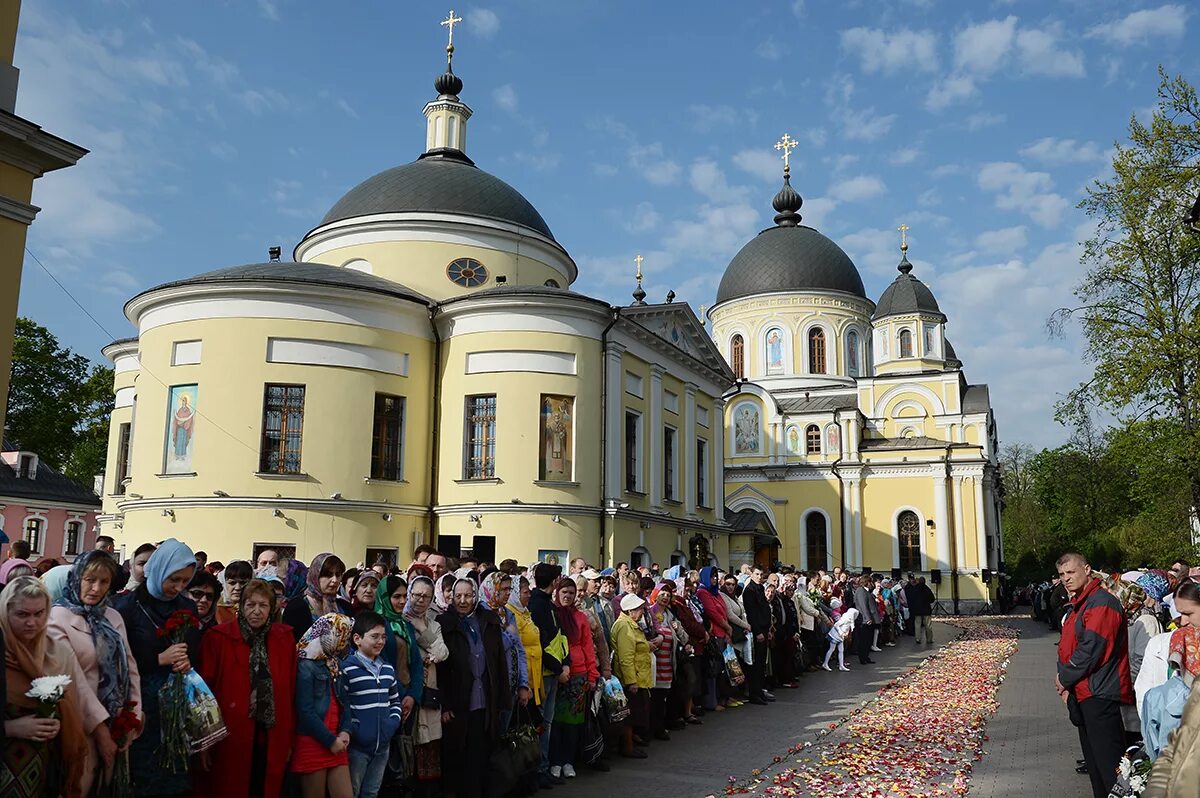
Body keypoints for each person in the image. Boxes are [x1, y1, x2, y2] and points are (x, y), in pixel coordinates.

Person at [48, 550, 141, 795]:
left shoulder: (112, 616)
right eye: (90, 580)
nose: (97, 588)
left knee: (108, 787)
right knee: (79, 785)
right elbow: (72, 678)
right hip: (79, 723)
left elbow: (130, 669)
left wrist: (132, 717)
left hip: (117, 723)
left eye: (104, 582)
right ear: (77, 578)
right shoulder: (57, 617)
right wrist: (100, 729)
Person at [114, 537, 201, 797]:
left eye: (185, 581)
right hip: (141, 701)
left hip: (176, 703)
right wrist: (158, 659)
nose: (178, 587)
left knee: (173, 772)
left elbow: (194, 646)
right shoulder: (127, 605)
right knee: (143, 771)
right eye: (173, 579)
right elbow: (117, 659)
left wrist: (187, 660)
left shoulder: (187, 606)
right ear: (160, 568)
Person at [195, 578, 297, 797]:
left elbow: (290, 691)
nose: (257, 611)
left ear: (272, 608)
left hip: (271, 733)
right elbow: (204, 694)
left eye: (263, 605)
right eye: (251, 605)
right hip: (230, 736)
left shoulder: (284, 639)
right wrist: (204, 740)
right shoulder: (218, 638)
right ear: (240, 607)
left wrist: (288, 739)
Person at [0, 576, 92, 798]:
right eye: (22, 614)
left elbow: (73, 711)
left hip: (45, 771)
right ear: (4, 612)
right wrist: (10, 728)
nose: (32, 622)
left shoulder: (57, 653)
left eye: (39, 614)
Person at [1054, 553, 1133, 798]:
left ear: (1087, 569)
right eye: (1062, 575)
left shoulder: (1101, 603)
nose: (1066, 579)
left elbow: (1092, 649)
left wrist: (1064, 677)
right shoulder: (1082, 602)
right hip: (1085, 691)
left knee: (1111, 768)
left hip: (1099, 691)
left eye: (1071, 572)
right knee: (1097, 767)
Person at [436, 578, 511, 798]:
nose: (462, 600)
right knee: (457, 753)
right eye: (457, 596)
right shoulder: (445, 623)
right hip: (458, 699)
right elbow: (441, 670)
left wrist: (502, 699)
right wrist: (444, 704)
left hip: (484, 699)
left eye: (467, 595)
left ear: (475, 596)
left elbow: (499, 663)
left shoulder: (488, 621)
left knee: (480, 753)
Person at [341, 611, 406, 798]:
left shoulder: (387, 669)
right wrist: (354, 729)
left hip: (382, 746)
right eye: (374, 636)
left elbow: (394, 700)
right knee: (352, 791)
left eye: (383, 637)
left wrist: (392, 723)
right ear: (357, 639)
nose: (380, 642)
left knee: (371, 792)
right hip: (357, 747)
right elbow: (344, 704)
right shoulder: (348, 668)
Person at [293, 613, 355, 798]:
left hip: (337, 739)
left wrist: (345, 731)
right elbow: (305, 711)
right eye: (342, 634)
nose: (345, 641)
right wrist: (330, 740)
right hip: (314, 741)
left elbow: (345, 701)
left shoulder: (335, 662)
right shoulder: (305, 666)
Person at [549, 577, 598, 779]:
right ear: (557, 593)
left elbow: (588, 646)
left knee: (573, 722)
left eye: (571, 593)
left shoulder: (581, 618)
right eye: (564, 592)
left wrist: (592, 674)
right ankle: (555, 761)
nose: (568, 596)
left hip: (579, 674)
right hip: (557, 673)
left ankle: (569, 761)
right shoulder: (552, 614)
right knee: (555, 721)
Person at [404, 576, 447, 796]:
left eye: (426, 596)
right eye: (416, 594)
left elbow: (442, 653)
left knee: (428, 744)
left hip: (429, 693)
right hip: (408, 692)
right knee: (407, 746)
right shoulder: (400, 620)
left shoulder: (434, 623)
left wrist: (421, 628)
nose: (420, 600)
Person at [528, 562, 568, 786]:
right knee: (541, 722)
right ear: (554, 582)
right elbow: (541, 643)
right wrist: (558, 667)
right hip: (544, 672)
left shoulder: (548, 605)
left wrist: (566, 663)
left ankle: (543, 766)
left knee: (548, 722)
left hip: (555, 670)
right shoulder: (538, 605)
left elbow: (559, 637)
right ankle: (538, 768)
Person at [374, 576, 425, 713]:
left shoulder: (405, 625)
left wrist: (412, 695)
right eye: (396, 597)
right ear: (384, 597)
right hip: (386, 698)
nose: (402, 601)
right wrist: (401, 695)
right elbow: (381, 663)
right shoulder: (375, 626)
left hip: (408, 697)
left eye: (404, 596)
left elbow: (416, 663)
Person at [611, 593, 652, 759]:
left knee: (634, 713)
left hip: (639, 674)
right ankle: (627, 747)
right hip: (631, 678)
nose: (642, 612)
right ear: (631, 611)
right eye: (639, 609)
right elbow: (625, 657)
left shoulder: (631, 624)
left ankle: (629, 743)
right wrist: (631, 681)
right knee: (629, 714)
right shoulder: (624, 626)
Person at [284, 553, 350, 642]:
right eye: (328, 575)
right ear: (315, 576)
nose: (334, 580)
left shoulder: (345, 606)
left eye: (338, 575)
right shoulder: (297, 606)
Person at [741, 566, 772, 704]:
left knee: (761, 663)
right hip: (757, 630)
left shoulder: (760, 588)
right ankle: (754, 694)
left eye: (761, 574)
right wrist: (758, 631)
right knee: (756, 664)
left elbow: (765, 608)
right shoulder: (749, 590)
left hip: (765, 628)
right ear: (751, 574)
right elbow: (752, 613)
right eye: (757, 574)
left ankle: (760, 691)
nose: (759, 577)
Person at [215, 560, 253, 625]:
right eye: (232, 583)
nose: (237, 588)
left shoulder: (257, 609)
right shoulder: (215, 610)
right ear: (224, 584)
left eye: (243, 583)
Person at [853, 575, 881, 664]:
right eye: (870, 582)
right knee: (864, 640)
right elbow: (863, 606)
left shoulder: (865, 591)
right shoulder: (861, 591)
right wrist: (868, 618)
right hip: (864, 620)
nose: (871, 584)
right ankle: (863, 658)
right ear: (867, 582)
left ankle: (866, 656)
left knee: (868, 639)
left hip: (868, 619)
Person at [822, 606, 858, 672]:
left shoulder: (848, 619)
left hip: (840, 636)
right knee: (832, 649)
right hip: (836, 635)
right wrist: (841, 633)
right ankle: (825, 663)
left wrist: (846, 633)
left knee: (841, 650)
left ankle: (841, 665)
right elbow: (836, 625)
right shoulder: (845, 619)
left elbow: (847, 628)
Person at [905, 576, 935, 645]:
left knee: (917, 624)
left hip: (917, 610)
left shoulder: (914, 589)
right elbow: (932, 599)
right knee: (928, 625)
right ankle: (929, 639)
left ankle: (918, 638)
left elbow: (911, 598)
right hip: (926, 609)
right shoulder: (927, 589)